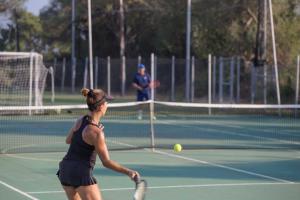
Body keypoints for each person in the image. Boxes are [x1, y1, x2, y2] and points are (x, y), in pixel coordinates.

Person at [57, 88, 139, 200]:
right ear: (100, 107)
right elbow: (106, 162)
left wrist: (91, 136)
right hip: (80, 173)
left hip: (65, 170)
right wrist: (129, 172)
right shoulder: (97, 133)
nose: (107, 105)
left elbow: (68, 140)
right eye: (106, 103)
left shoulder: (81, 120)